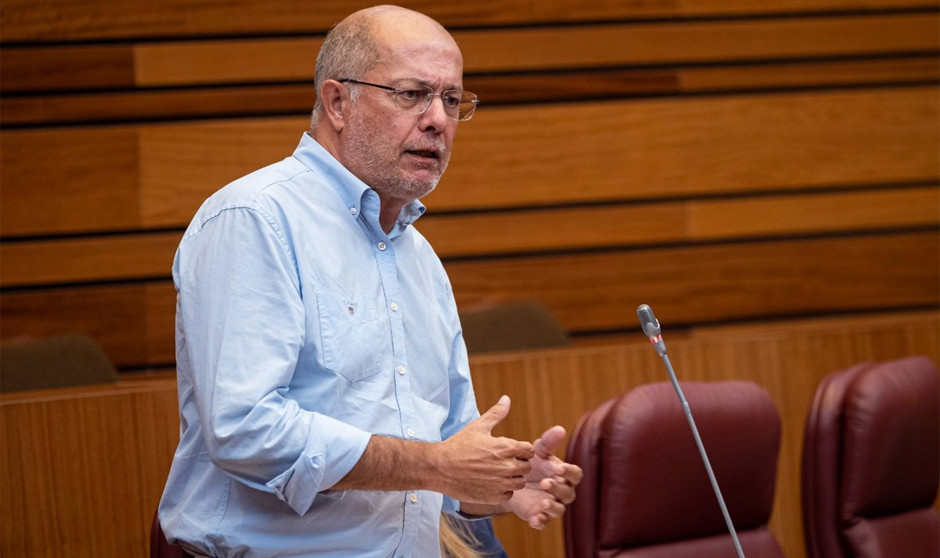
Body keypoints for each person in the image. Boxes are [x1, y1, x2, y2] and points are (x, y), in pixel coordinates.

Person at [158, 5, 582, 557]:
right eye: (412, 94)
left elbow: (444, 455)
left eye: (452, 100)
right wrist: (436, 465)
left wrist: (497, 485)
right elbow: (245, 430)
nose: (437, 119)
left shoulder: (420, 258)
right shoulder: (254, 218)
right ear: (338, 102)